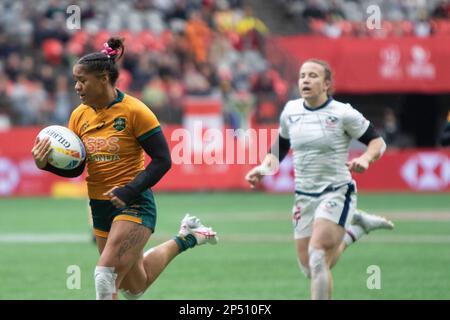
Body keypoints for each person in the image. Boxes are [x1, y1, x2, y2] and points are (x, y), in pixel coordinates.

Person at [31, 37, 218, 300]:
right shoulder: (79, 115)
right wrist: (46, 164)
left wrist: (130, 191)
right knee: (134, 287)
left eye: (82, 80)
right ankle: (187, 237)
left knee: (105, 275)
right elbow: (77, 168)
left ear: (104, 78)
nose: (77, 87)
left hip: (134, 203)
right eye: (76, 80)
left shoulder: (135, 112)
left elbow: (163, 160)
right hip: (100, 206)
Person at [245, 59, 394, 300]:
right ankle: (356, 228)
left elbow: (378, 142)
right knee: (310, 267)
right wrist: (263, 168)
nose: (305, 79)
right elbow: (281, 147)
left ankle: (352, 223)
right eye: (303, 75)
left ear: (326, 84)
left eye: (313, 75)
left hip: (336, 191)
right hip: (304, 196)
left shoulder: (343, 113)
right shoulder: (291, 111)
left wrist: (366, 159)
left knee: (317, 255)